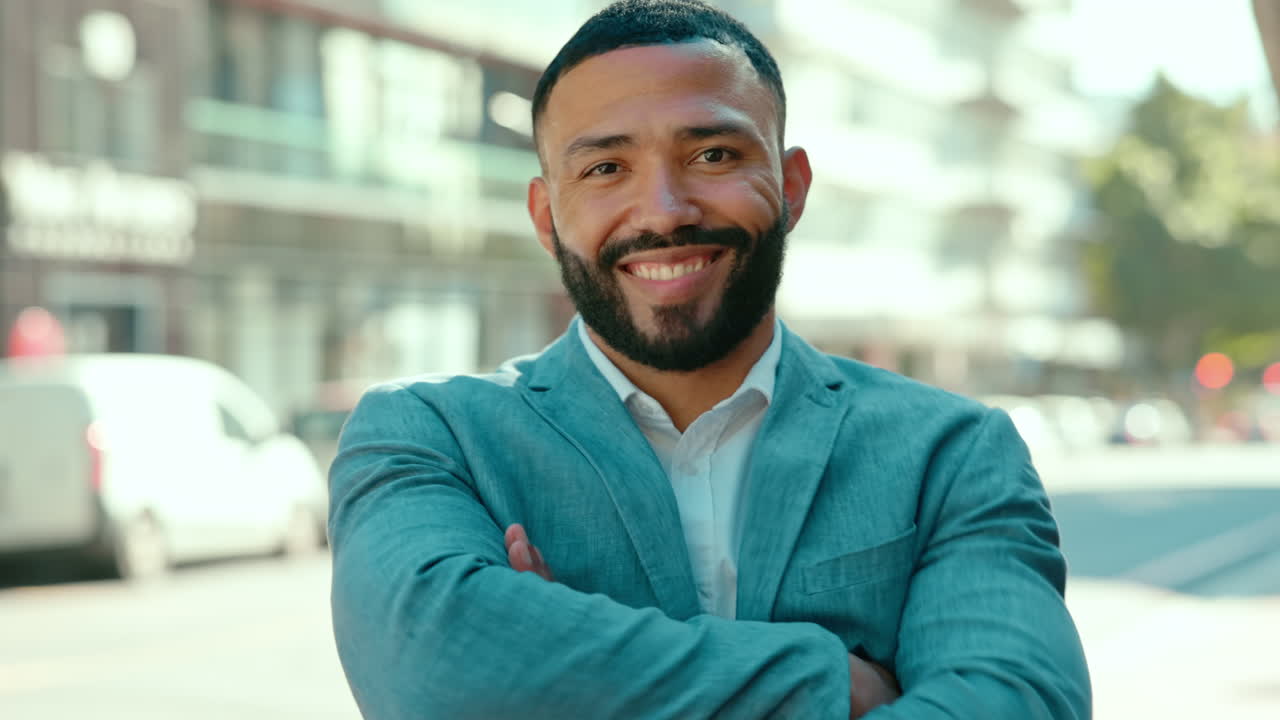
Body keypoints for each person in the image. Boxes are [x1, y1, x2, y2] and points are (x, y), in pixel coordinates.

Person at [328, 1, 1091, 718]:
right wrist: (834, 681)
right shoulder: (433, 437)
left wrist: (570, 671)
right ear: (545, 215)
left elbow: (1019, 703)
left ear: (792, 188)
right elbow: (431, 666)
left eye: (714, 154)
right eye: (605, 169)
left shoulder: (950, 454)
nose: (664, 211)